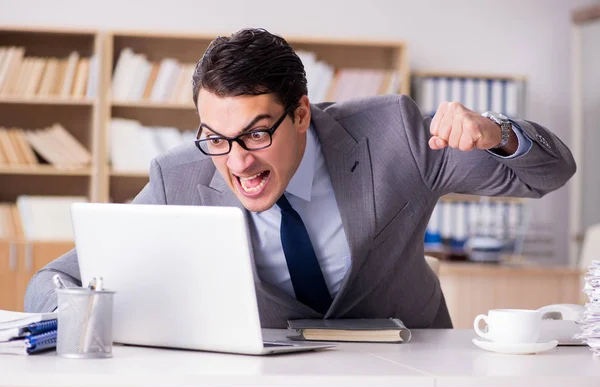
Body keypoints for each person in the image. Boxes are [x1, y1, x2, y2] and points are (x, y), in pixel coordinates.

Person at [25, 28, 576, 329]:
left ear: (303, 113)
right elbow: (54, 280)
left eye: (257, 134)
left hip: (414, 366)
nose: (238, 162)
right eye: (217, 138)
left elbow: (549, 172)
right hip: (271, 383)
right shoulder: (181, 178)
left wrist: (498, 131)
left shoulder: (394, 137)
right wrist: (78, 319)